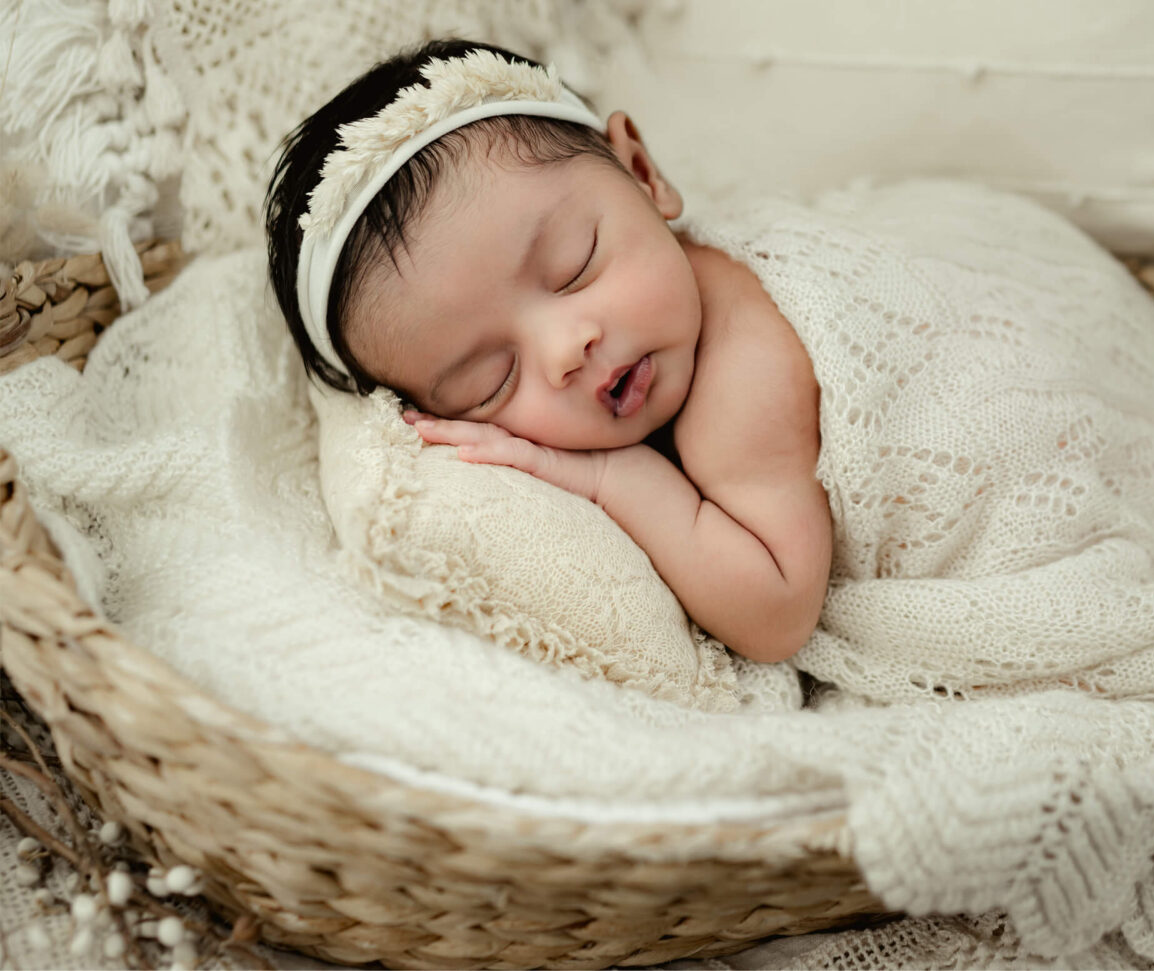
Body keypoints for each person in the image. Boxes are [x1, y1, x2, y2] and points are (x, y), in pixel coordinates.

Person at [266, 38, 831, 664]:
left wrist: (612, 477)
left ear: (645, 176)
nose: (567, 350)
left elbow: (779, 615)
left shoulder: (743, 373)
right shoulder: (654, 305)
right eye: (492, 380)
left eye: (574, 266)